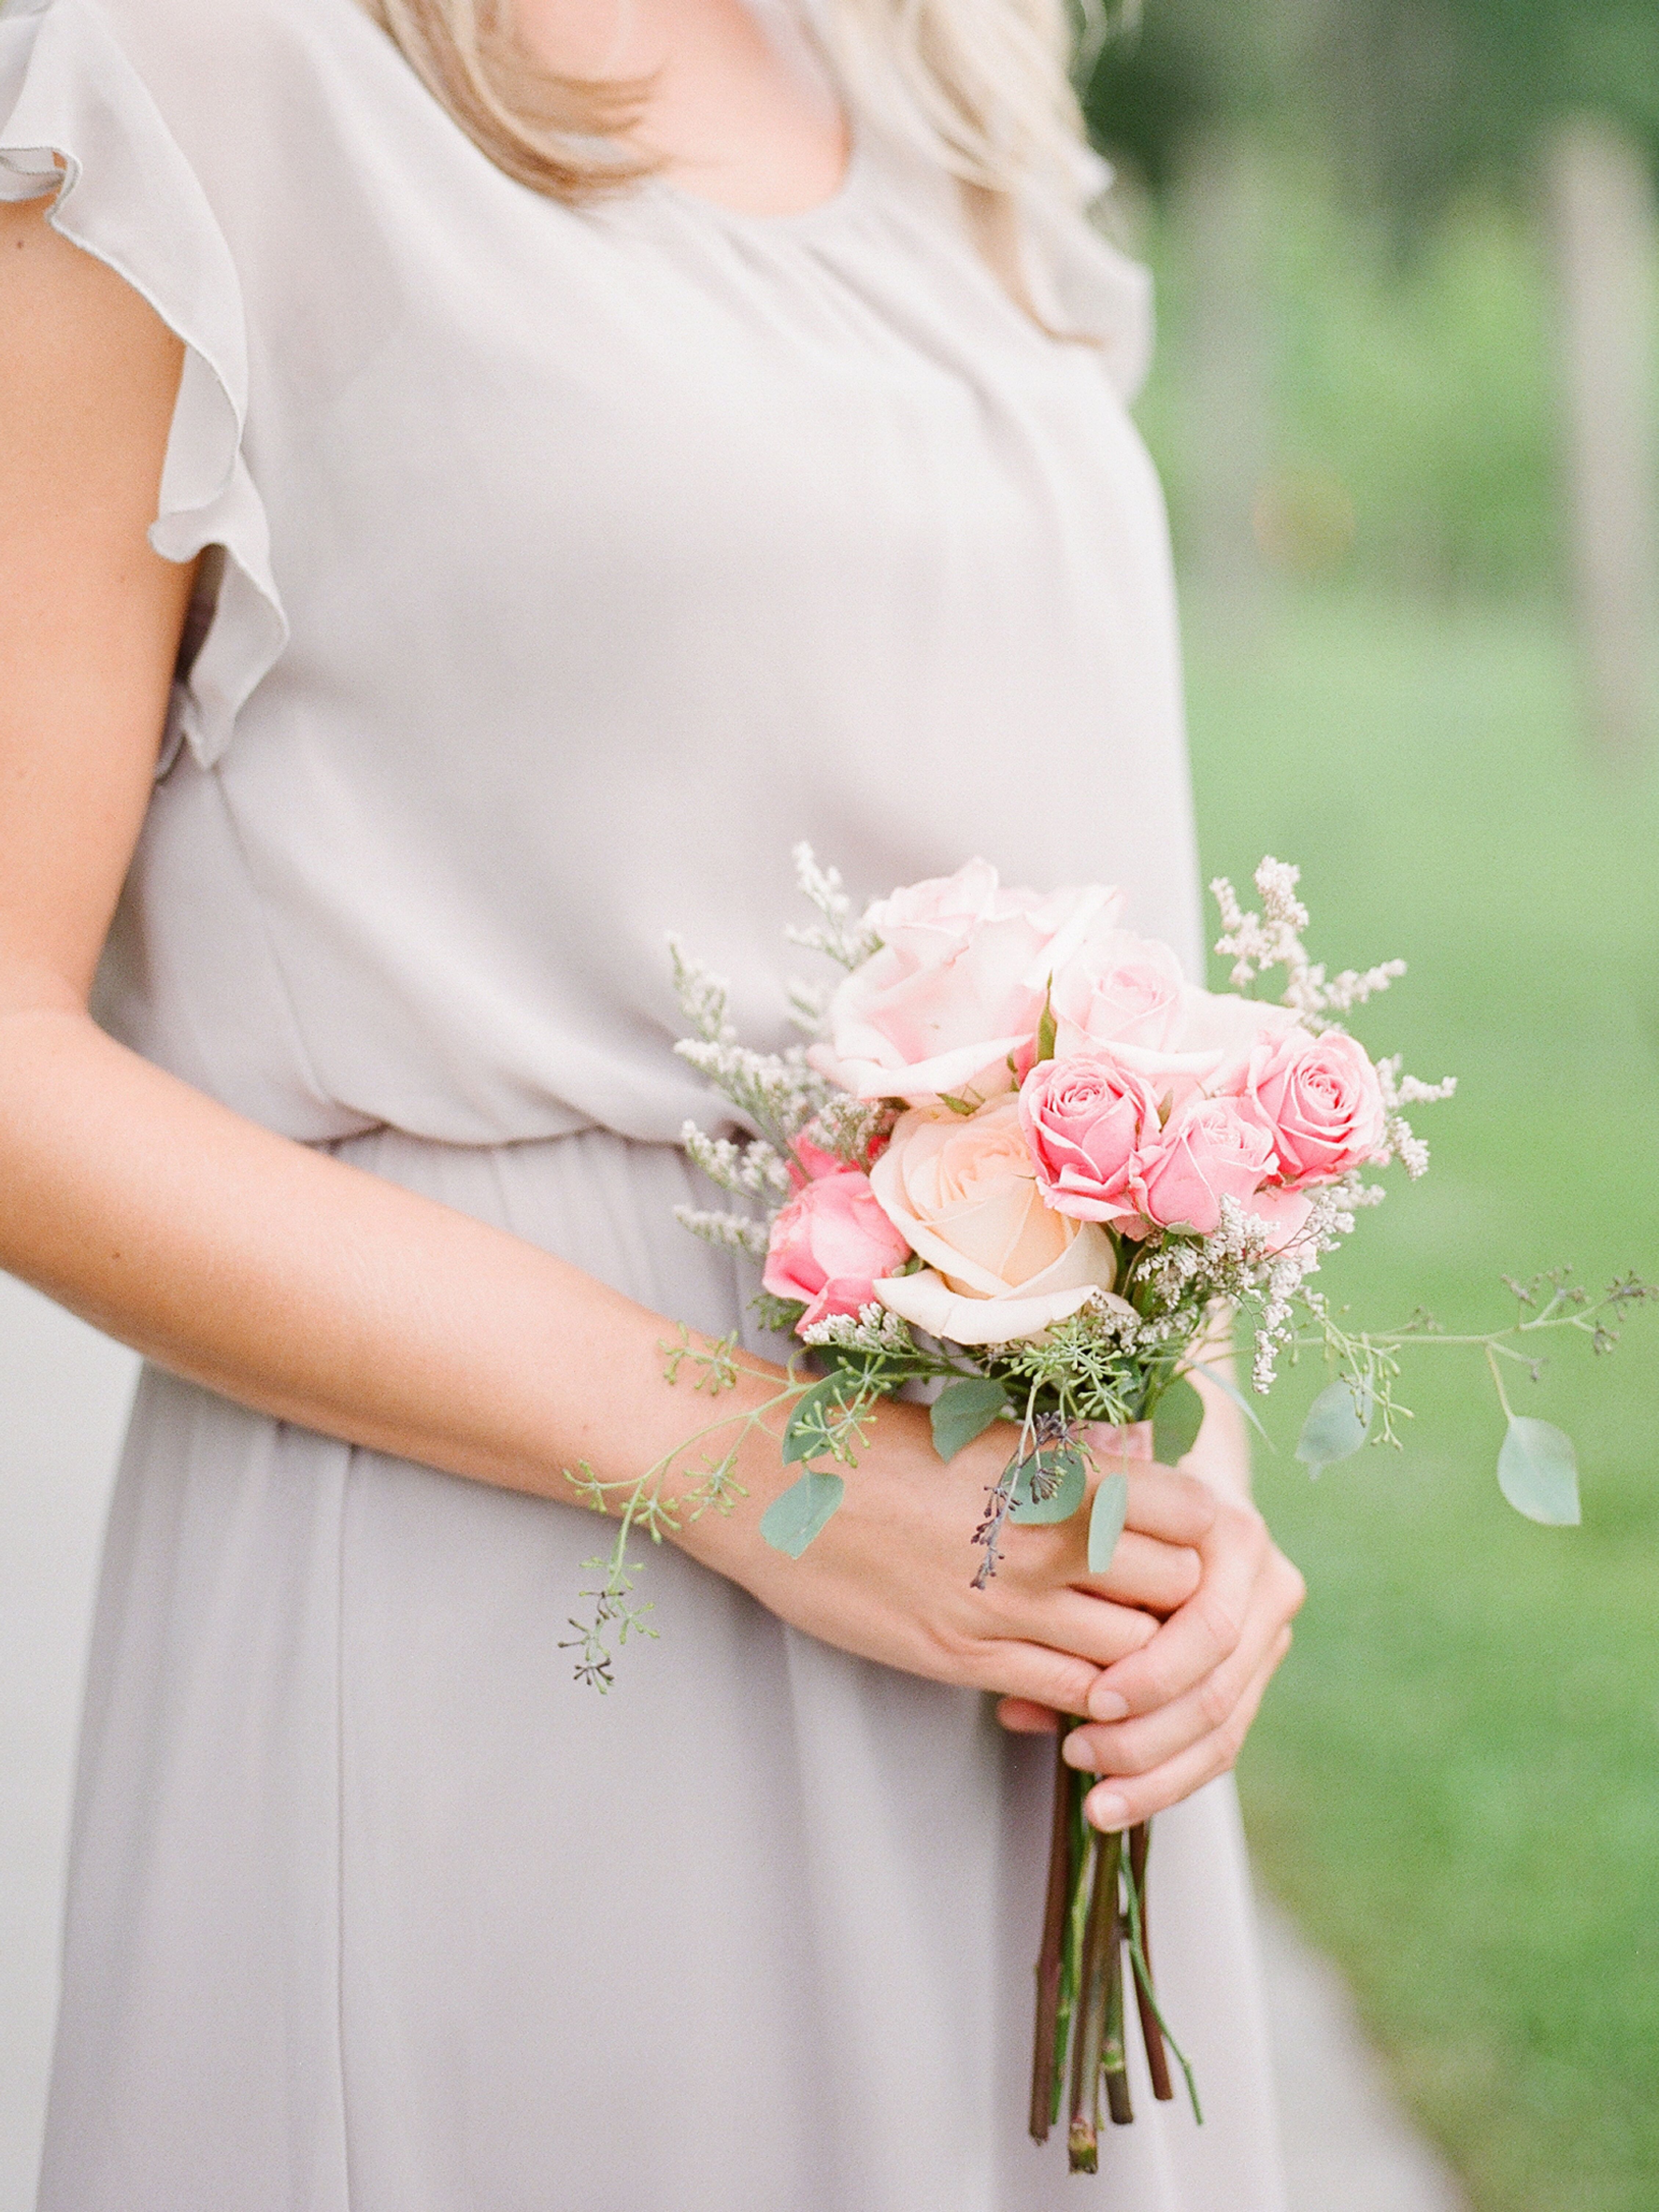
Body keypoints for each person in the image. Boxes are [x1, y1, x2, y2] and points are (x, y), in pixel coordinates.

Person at [0, 0, 1305, 2203]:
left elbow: (1102, 936)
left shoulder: (946, 77)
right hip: (502, 1630)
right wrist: (760, 1467)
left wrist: (1189, 1495)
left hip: (1012, 1696)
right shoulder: (199, 66)